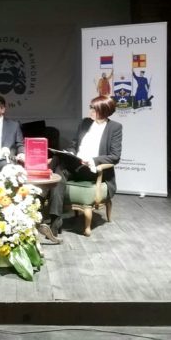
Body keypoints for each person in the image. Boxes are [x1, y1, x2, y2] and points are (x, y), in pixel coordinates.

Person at [47, 95, 122, 237]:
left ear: (104, 110)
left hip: (92, 170)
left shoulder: (114, 127)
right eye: (91, 108)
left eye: (94, 109)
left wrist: (92, 160)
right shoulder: (85, 123)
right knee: (58, 164)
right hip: (77, 164)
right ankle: (55, 223)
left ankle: (42, 195)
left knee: (56, 163)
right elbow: (74, 145)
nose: (90, 111)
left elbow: (115, 156)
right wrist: (70, 152)